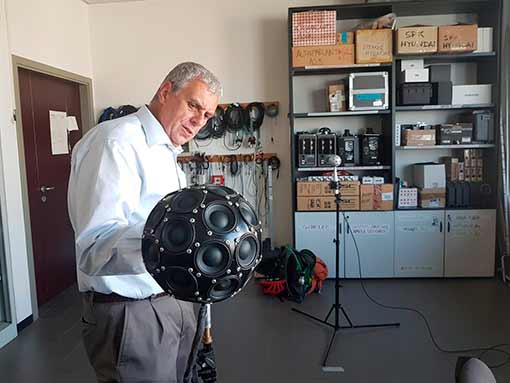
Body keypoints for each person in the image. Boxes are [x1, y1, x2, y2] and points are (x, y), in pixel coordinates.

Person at [68, 62, 221, 383]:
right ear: (166, 92)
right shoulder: (115, 143)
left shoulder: (167, 153)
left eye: (207, 116)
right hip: (129, 313)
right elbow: (94, 250)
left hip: (172, 302)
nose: (198, 122)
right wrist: (181, 247)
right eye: (194, 105)